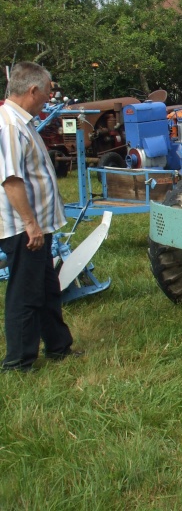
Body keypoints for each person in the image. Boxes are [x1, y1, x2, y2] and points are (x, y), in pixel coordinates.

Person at [0, 62, 82, 372]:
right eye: (47, 94)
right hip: (24, 227)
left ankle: (58, 346)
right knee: (26, 292)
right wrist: (30, 224)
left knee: (47, 288)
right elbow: (11, 179)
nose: (48, 99)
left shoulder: (22, 121)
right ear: (32, 91)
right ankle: (18, 362)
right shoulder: (8, 124)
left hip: (38, 225)